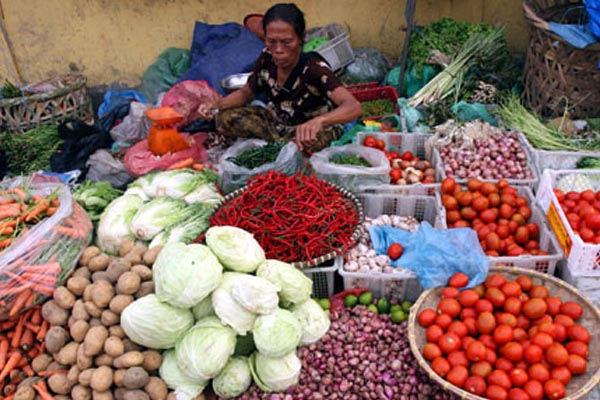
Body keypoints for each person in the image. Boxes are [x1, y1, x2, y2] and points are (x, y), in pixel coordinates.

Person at [198, 3, 362, 153]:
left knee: (305, 144)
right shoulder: (266, 58)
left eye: (286, 42)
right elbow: (245, 93)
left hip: (310, 130)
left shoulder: (315, 68)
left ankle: (281, 149)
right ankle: (280, 147)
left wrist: (320, 121)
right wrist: (216, 105)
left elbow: (353, 106)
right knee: (225, 119)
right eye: (271, 41)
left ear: (301, 38)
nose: (278, 50)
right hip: (278, 124)